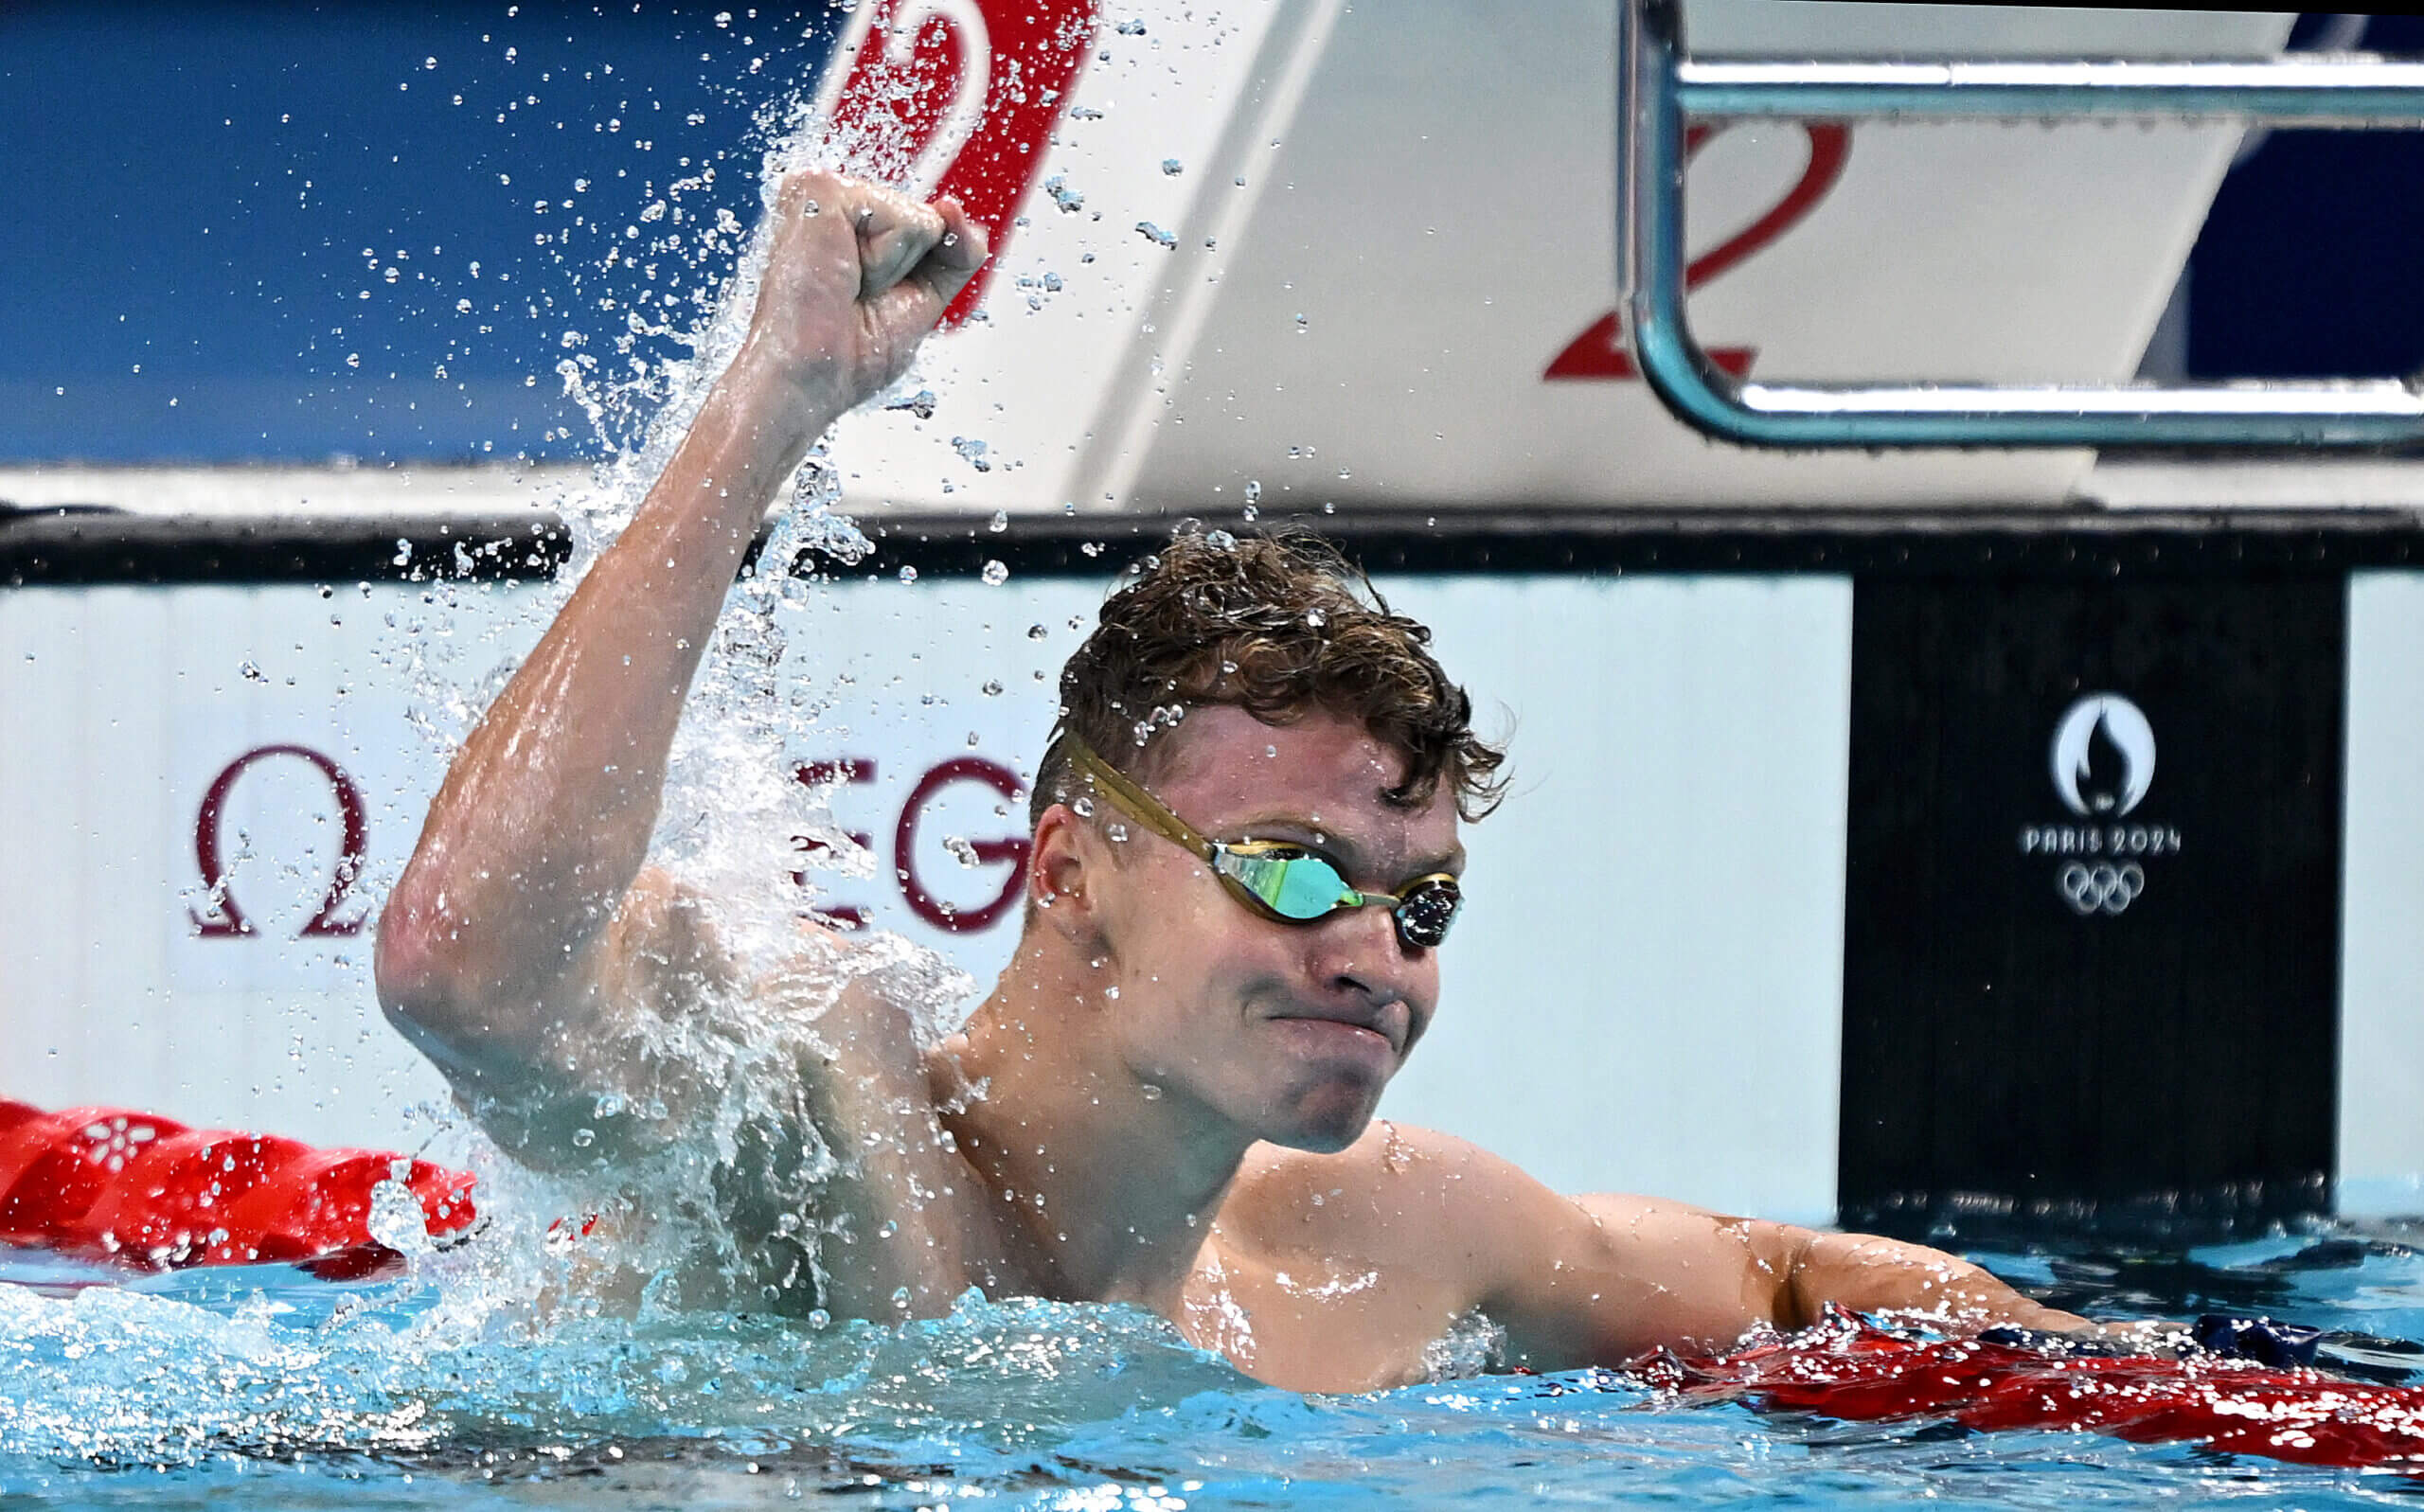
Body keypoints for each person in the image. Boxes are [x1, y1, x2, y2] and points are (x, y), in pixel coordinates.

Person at [374, 169, 2087, 1392]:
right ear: (1065, 873)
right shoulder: (829, 1133)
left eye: (1420, 902)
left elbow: (1782, 1282)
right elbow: (464, 962)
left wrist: (2142, 1384)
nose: (1375, 953)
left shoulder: (1382, 1241)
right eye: (1289, 867)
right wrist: (771, 410)